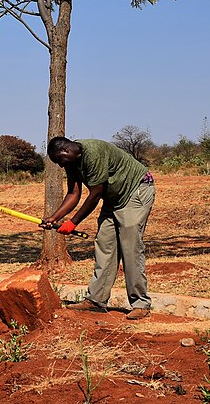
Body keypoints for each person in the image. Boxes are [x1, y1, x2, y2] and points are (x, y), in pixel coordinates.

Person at [43, 136, 155, 320]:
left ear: (66, 151)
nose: (61, 166)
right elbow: (73, 193)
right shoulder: (71, 162)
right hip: (114, 198)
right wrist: (54, 217)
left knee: (130, 247)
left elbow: (95, 195)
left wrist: (73, 223)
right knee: (105, 245)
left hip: (136, 191)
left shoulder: (93, 153)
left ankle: (141, 303)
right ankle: (96, 300)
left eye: (60, 161)